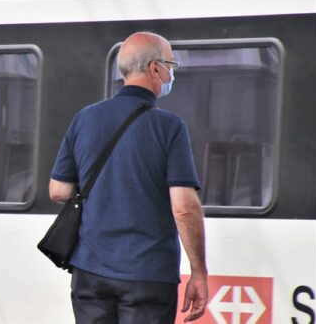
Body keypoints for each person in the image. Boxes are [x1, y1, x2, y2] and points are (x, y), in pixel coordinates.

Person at [48, 32, 208, 323]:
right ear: (155, 68)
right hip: (147, 274)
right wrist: (199, 272)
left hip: (90, 271)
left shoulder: (85, 118)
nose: (171, 72)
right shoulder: (169, 127)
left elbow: (58, 190)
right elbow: (184, 207)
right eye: (170, 64)